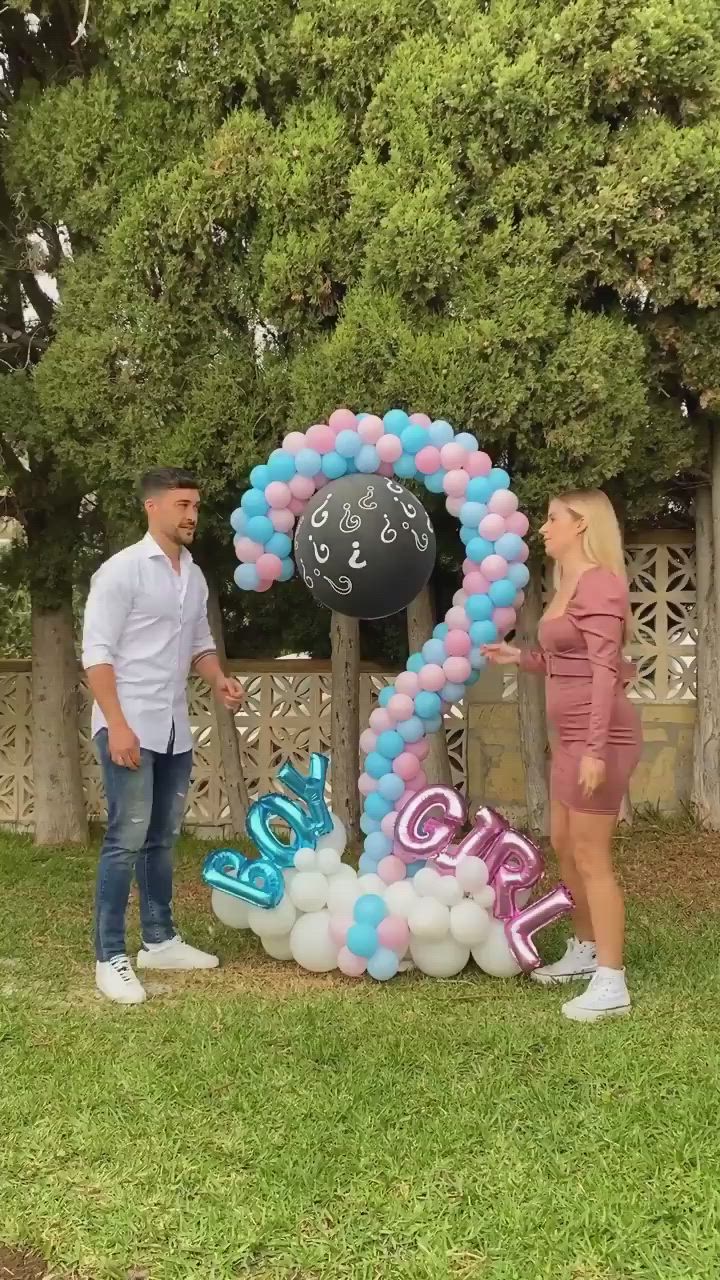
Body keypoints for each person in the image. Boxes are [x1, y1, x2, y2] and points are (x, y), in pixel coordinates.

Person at [82, 467, 245, 1005]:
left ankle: (159, 939)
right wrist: (119, 725)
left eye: (196, 504)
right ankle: (110, 957)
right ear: (152, 507)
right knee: (125, 839)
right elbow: (97, 657)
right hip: (128, 726)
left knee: (162, 838)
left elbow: (198, 643)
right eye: (182, 504)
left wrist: (218, 679)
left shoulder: (192, 576)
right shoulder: (121, 571)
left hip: (175, 728)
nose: (192, 514)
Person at [483, 490, 642, 1022]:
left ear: (581, 525)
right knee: (564, 844)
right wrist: (520, 657)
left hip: (602, 738)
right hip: (571, 737)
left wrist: (595, 750)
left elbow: (603, 670)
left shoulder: (599, 581)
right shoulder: (564, 585)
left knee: (592, 856)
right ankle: (585, 949)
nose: (543, 528)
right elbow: (566, 660)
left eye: (553, 519)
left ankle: (612, 981)